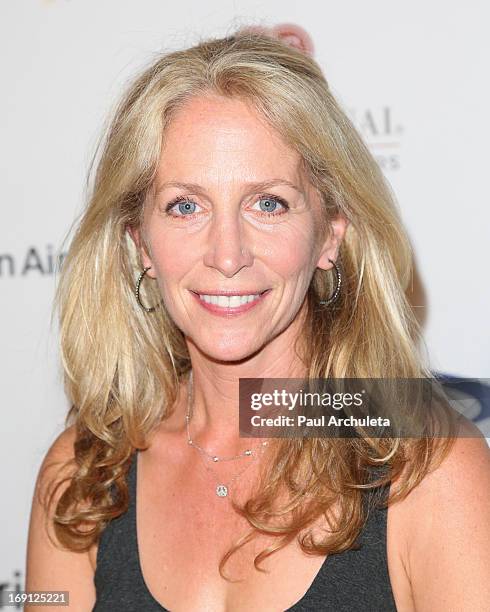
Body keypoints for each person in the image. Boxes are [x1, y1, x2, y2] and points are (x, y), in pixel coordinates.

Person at [25, 28, 490, 611]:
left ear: (329, 233)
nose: (227, 253)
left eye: (268, 203)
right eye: (185, 205)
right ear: (141, 242)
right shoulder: (80, 474)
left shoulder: (431, 465)